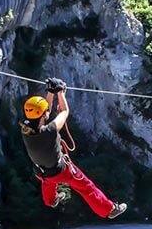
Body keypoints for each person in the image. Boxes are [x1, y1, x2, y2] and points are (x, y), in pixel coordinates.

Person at [20, 77, 127, 219]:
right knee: (86, 187)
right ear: (43, 115)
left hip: (42, 171)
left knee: (48, 182)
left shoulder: (25, 128)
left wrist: (51, 92)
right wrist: (61, 93)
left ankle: (51, 201)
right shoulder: (49, 131)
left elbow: (45, 113)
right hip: (61, 170)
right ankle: (109, 210)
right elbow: (64, 112)